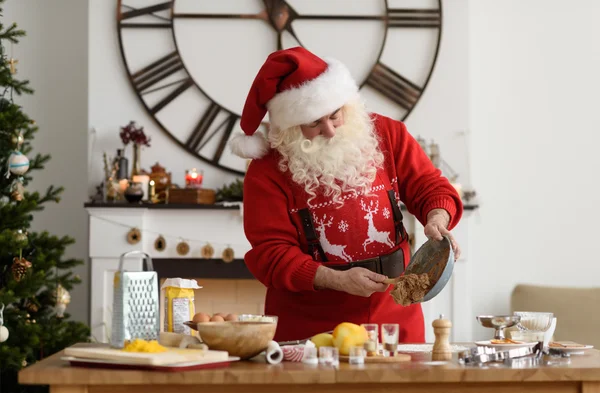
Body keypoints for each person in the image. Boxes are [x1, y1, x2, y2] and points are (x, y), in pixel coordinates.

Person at [229, 47, 463, 342]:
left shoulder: (387, 134)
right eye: (314, 123)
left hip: (395, 316)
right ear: (290, 127)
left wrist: (437, 217)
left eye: (334, 115)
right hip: (311, 328)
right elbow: (271, 253)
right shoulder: (267, 172)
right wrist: (336, 279)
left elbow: (431, 186)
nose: (329, 131)